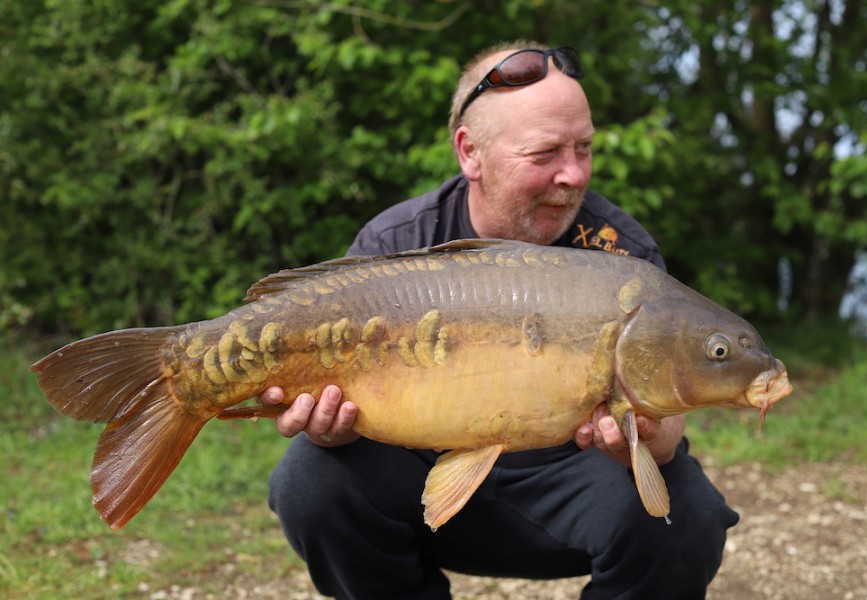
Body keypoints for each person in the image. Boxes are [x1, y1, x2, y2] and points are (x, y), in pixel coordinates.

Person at [262, 41, 739, 599]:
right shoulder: (395, 246)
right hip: (418, 474)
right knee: (309, 482)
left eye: (583, 148)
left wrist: (650, 435)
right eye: (544, 155)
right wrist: (328, 429)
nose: (572, 175)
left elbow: (667, 436)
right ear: (471, 153)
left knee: (687, 514)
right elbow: (333, 412)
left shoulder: (620, 257)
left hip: (570, 480)